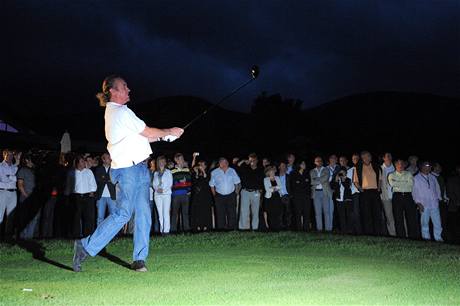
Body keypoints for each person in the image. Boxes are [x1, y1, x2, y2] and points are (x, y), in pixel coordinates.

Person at [72, 75, 184, 272]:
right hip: (128, 169)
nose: (129, 89)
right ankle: (85, 246)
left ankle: (139, 259)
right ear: (113, 91)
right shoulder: (120, 112)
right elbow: (148, 132)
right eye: (124, 87)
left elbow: (142, 137)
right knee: (123, 213)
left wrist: (165, 137)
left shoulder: (119, 114)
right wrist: (170, 130)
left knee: (143, 214)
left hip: (139, 169)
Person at [353, 151, 385, 236]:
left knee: (377, 213)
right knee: (366, 214)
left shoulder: (376, 166)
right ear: (362, 158)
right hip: (365, 193)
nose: (367, 158)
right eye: (365, 157)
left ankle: (378, 233)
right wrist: (360, 189)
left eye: (368, 156)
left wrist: (378, 188)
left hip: (375, 192)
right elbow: (355, 181)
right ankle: (368, 233)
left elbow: (380, 179)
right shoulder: (358, 167)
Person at [388, 159, 419, 239]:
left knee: (411, 217)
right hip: (397, 197)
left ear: (404, 165)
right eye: (398, 164)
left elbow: (411, 184)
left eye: (402, 163)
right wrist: (405, 182)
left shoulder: (409, 173)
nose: (400, 165)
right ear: (395, 165)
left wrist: (398, 183)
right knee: (398, 218)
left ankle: (413, 237)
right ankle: (401, 237)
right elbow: (392, 184)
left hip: (408, 196)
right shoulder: (391, 175)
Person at [412, 161, 443, 242]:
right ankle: (426, 239)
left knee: (437, 223)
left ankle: (438, 238)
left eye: (429, 166)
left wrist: (438, 198)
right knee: (425, 224)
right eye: (426, 166)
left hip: (434, 204)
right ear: (421, 167)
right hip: (423, 204)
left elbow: (437, 189)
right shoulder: (416, 178)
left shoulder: (433, 177)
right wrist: (418, 203)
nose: (428, 168)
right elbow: (414, 192)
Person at [69, 155, 97, 238]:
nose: (84, 163)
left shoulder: (88, 172)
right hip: (76, 196)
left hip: (87, 196)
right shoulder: (72, 172)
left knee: (88, 217)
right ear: (77, 163)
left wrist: (91, 192)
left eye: (84, 161)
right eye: (82, 161)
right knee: (76, 217)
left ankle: (87, 235)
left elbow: (93, 184)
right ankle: (76, 235)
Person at [209, 158, 241, 230]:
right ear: (219, 164)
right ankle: (221, 230)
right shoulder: (214, 172)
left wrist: (236, 192)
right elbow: (211, 185)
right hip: (219, 196)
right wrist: (215, 195)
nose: (224, 164)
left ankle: (232, 229)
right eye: (222, 163)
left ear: (228, 163)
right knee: (220, 214)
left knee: (232, 213)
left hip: (231, 195)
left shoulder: (232, 171)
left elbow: (237, 182)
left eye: (226, 162)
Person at [237, 153, 264, 231]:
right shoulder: (245, 168)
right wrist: (243, 161)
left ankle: (255, 228)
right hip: (245, 191)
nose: (252, 161)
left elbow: (262, 181)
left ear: (257, 160)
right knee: (244, 211)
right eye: (250, 160)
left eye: (253, 160)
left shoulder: (260, 169)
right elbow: (237, 167)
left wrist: (260, 190)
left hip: (256, 192)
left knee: (255, 211)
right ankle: (242, 228)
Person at [17, 154, 39, 239]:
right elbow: (20, 186)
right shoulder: (22, 170)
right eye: (31, 159)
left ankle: (29, 238)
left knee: (34, 219)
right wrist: (27, 197)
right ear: (27, 160)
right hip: (26, 199)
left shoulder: (34, 170)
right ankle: (23, 238)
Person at [170, 153, 192, 233]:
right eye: (181, 159)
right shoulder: (172, 170)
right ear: (176, 160)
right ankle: (173, 230)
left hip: (185, 194)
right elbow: (171, 182)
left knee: (185, 213)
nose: (183, 160)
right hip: (175, 195)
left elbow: (189, 181)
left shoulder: (186, 169)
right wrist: (180, 182)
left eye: (183, 159)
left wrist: (189, 190)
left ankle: (186, 229)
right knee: (174, 213)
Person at [190, 155, 213, 232]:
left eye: (203, 165)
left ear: (206, 166)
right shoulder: (196, 173)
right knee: (197, 211)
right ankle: (198, 226)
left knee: (205, 211)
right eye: (200, 165)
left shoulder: (208, 173)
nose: (201, 166)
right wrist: (196, 172)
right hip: (197, 196)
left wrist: (203, 171)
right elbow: (194, 182)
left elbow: (207, 180)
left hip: (205, 196)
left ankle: (206, 226)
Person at [0, 149, 19, 239]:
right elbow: (4, 179)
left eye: (12, 155)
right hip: (3, 191)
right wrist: (14, 178)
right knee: (0, 215)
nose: (10, 157)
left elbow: (17, 177)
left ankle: (7, 237)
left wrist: (10, 176)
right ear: (4, 155)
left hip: (13, 192)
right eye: (8, 155)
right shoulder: (0, 166)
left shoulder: (14, 166)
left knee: (11, 216)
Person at [310, 156, 332, 232]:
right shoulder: (312, 171)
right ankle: (319, 229)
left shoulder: (326, 169)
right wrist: (321, 179)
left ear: (322, 162)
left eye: (320, 161)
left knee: (326, 211)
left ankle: (328, 229)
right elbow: (312, 181)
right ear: (314, 162)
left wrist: (316, 179)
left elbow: (325, 179)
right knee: (317, 212)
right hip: (316, 193)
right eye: (317, 161)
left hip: (325, 192)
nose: (318, 162)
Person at [94, 153, 116, 227]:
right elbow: (98, 180)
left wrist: (104, 178)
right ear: (103, 159)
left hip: (112, 196)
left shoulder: (114, 169)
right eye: (108, 157)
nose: (110, 159)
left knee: (113, 216)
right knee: (100, 217)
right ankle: (99, 236)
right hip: (101, 196)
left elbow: (115, 180)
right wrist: (108, 179)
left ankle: (112, 234)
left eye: (110, 157)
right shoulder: (98, 169)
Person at [153, 156, 173, 235]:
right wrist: (157, 188)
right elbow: (154, 184)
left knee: (166, 213)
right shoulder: (156, 173)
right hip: (157, 195)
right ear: (158, 163)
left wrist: (163, 190)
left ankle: (166, 231)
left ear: (165, 163)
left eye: (163, 161)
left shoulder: (168, 172)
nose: (161, 163)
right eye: (160, 161)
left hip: (166, 194)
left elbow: (170, 183)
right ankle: (162, 231)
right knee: (160, 214)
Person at [290, 160, 311, 231]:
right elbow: (293, 185)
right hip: (297, 196)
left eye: (304, 163)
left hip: (306, 196)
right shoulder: (293, 173)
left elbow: (308, 184)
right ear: (298, 165)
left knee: (306, 212)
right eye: (303, 163)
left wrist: (299, 182)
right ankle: (298, 228)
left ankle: (306, 228)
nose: (304, 164)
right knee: (298, 212)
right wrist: (302, 182)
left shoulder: (307, 173)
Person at [380, 152, 396, 236]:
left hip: (397, 196)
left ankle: (404, 233)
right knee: (389, 216)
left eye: (390, 155)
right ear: (383, 158)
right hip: (386, 197)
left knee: (400, 215)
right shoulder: (380, 168)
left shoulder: (397, 167)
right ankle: (393, 234)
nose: (389, 157)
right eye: (387, 156)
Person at [263, 166, 283, 231]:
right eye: (271, 171)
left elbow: (280, 187)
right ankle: (271, 227)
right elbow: (267, 189)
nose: (272, 172)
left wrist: (272, 188)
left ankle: (277, 227)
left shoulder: (277, 178)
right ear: (268, 172)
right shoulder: (265, 179)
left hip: (277, 197)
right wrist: (275, 188)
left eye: (273, 171)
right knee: (270, 213)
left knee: (277, 212)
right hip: (269, 198)